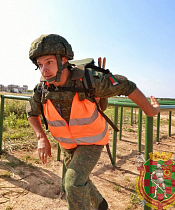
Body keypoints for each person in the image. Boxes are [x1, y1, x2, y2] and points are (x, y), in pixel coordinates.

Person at [26, 34, 160, 210]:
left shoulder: (90, 79)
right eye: (40, 64)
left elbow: (126, 85)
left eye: (49, 62)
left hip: (92, 140)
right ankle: (100, 204)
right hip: (67, 144)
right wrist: (41, 137)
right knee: (79, 180)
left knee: (73, 184)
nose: (44, 69)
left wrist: (150, 110)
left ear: (64, 60)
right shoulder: (42, 89)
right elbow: (31, 112)